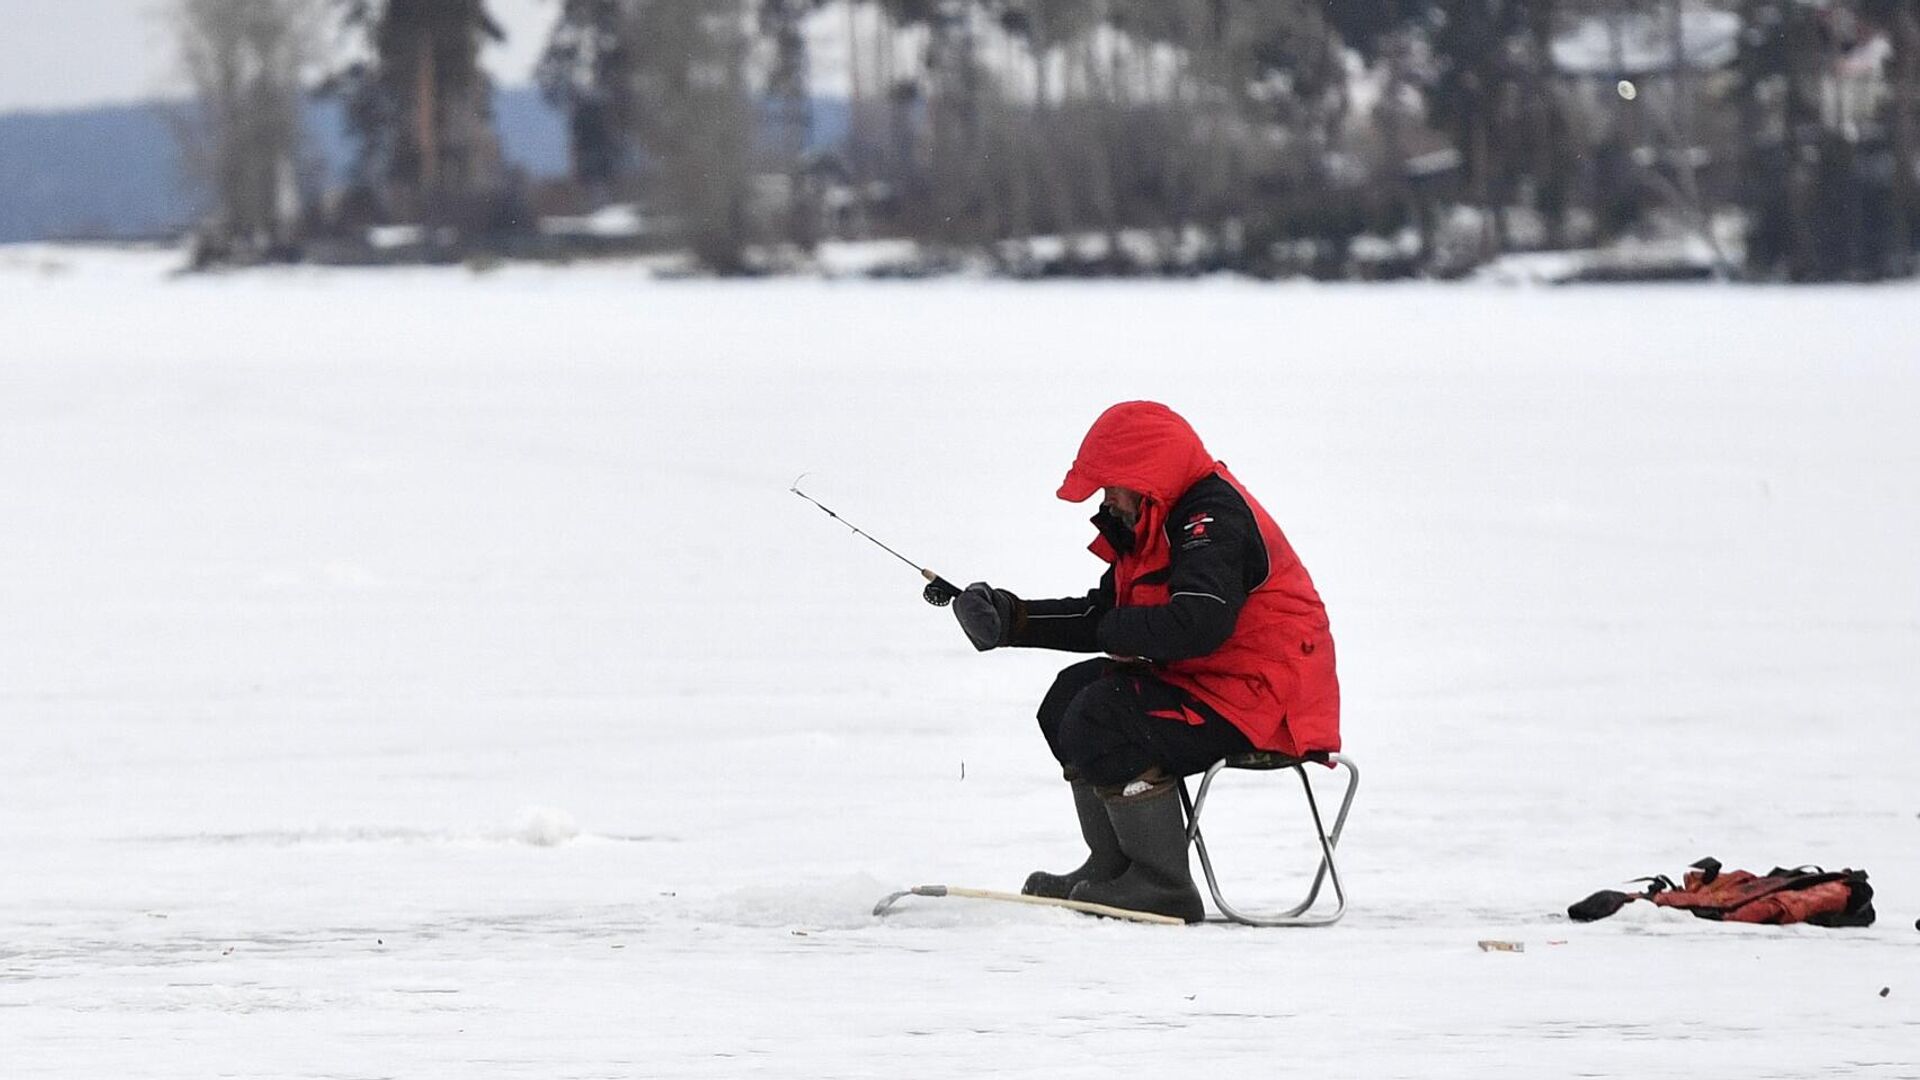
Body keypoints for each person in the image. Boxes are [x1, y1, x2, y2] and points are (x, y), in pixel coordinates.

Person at [951, 401, 1339, 923]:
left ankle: (1162, 884)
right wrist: (1013, 619)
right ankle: (1113, 867)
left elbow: (1200, 625)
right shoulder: (1155, 519)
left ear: (1148, 476)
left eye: (1113, 485)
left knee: (1105, 710)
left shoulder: (1211, 521)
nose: (1107, 499)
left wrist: (1109, 630)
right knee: (1068, 698)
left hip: (1265, 704)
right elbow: (1106, 612)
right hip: (1210, 683)